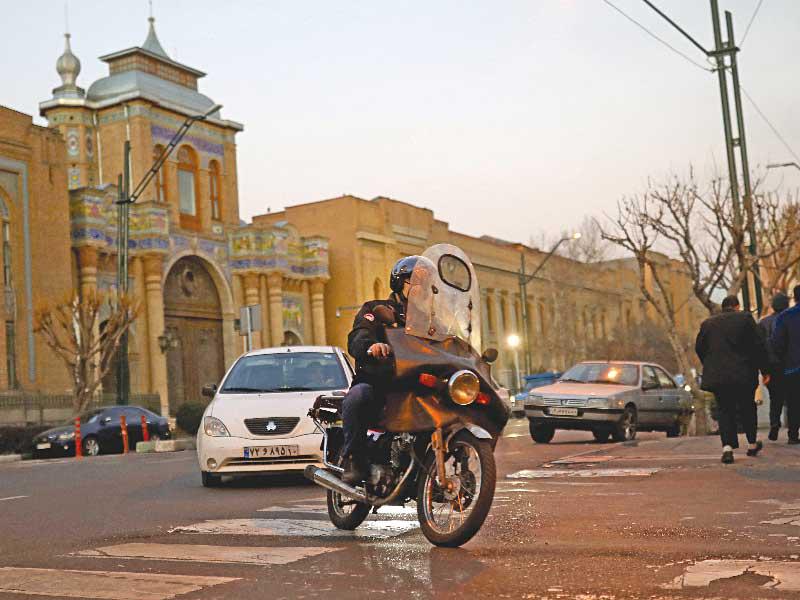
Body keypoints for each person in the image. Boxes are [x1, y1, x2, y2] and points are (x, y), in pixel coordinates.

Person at [340, 256, 418, 485]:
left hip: (415, 383)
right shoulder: (377, 309)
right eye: (413, 281)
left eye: (425, 283)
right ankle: (354, 459)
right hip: (380, 381)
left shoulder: (431, 320)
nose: (420, 288)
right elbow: (358, 335)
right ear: (399, 282)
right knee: (357, 396)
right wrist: (370, 345)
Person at [695, 295, 770, 464]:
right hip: (744, 373)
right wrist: (765, 370)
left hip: (719, 376)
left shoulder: (708, 324)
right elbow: (759, 345)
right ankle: (751, 444)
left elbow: (699, 348)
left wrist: (710, 364)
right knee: (747, 407)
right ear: (737, 306)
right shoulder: (745, 319)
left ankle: (727, 448)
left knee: (725, 409)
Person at [770, 285, 800, 444]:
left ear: (794, 298)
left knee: (794, 402)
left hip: (792, 367)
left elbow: (776, 343)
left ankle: (793, 434)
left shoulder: (784, 317)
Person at [758, 292, 790, 440]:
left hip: (770, 366)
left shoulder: (763, 323)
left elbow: (758, 346)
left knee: (775, 398)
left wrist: (763, 369)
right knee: (792, 397)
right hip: (789, 364)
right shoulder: (790, 319)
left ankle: (774, 424)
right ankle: (793, 429)